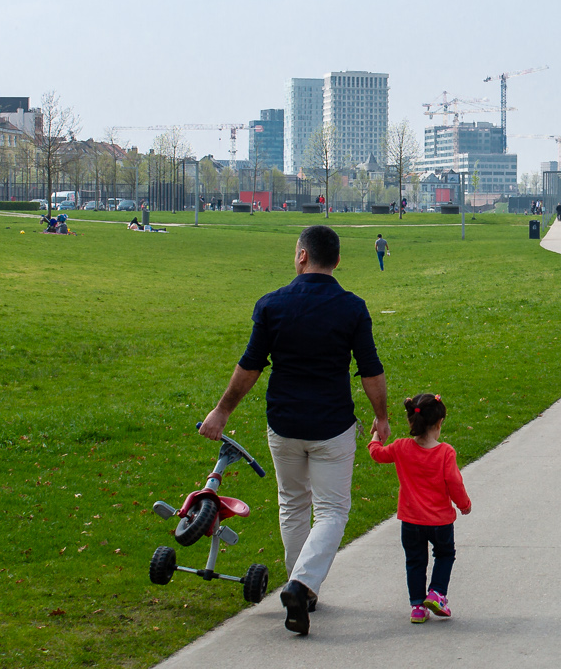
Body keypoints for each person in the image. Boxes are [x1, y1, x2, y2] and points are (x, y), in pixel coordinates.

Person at [198, 224, 389, 637]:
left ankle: (300, 587)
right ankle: (302, 585)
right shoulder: (352, 308)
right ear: (336, 261)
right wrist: (382, 416)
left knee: (293, 504)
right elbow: (370, 370)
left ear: (302, 256)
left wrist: (221, 411)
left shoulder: (272, 305)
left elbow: (249, 366)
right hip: (332, 426)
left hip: (283, 424)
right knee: (333, 510)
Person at [367, 392, 471, 623]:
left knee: (415, 561)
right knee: (445, 554)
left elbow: (377, 453)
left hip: (411, 521)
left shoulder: (401, 447)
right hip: (440, 521)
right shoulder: (445, 452)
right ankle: (436, 593)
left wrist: (376, 433)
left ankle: (417, 607)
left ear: (412, 421)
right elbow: (454, 482)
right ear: (439, 422)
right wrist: (464, 504)